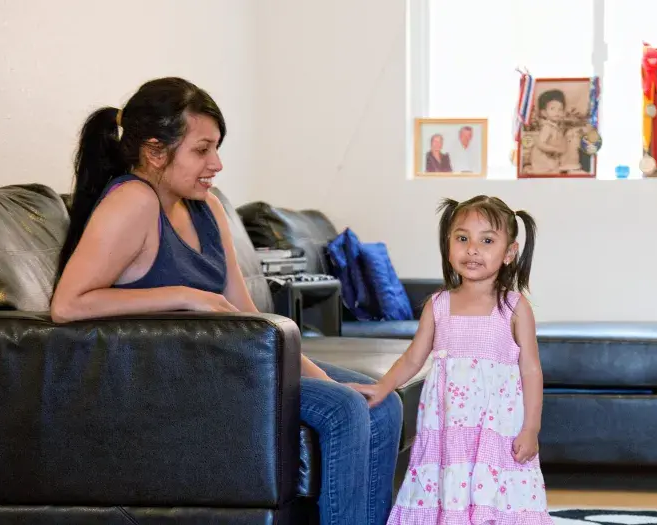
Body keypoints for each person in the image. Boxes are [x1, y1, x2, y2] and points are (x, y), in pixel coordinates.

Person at [49, 77, 402, 525]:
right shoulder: (133, 201)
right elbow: (68, 304)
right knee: (344, 408)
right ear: (156, 152)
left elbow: (249, 316)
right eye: (201, 149)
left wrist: (312, 372)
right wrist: (185, 296)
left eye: (216, 148)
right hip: (179, 377)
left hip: (235, 363)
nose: (215, 163)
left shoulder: (207, 206)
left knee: (380, 402)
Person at [346, 196, 553, 524]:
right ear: (448, 244)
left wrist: (531, 427)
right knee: (449, 494)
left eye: (486, 240)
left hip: (495, 429)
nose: (472, 249)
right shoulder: (438, 305)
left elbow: (530, 369)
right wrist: (382, 387)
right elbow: (414, 357)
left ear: (509, 252)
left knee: (495, 497)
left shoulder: (514, 308)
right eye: (462, 238)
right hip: (447, 431)